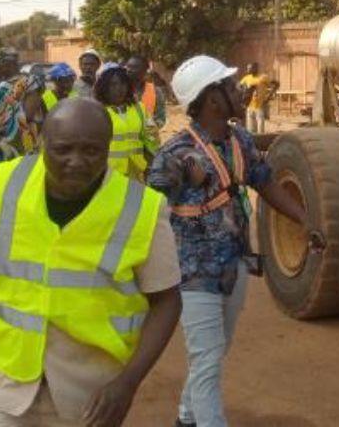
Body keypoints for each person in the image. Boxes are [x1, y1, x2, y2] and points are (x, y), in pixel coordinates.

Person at [0, 98, 182, 427]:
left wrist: (127, 383)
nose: (76, 162)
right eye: (63, 149)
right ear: (42, 142)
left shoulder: (143, 208)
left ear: (107, 149)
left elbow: (167, 300)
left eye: (92, 151)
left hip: (88, 397)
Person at [148, 55, 323, 427]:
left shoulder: (240, 138)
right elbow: (148, 211)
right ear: (212, 99)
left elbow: (264, 181)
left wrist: (304, 220)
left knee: (214, 353)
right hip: (193, 274)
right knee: (208, 360)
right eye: (229, 86)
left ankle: (185, 417)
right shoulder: (175, 155)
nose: (240, 89)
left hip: (235, 265)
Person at [96, 63, 156, 181]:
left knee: (134, 200)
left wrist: (152, 166)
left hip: (137, 174)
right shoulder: (96, 111)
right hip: (107, 176)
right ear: (103, 87)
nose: (118, 89)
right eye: (112, 84)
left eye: (122, 83)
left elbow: (152, 140)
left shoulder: (139, 108)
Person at [125, 55, 166, 131]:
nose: (129, 70)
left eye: (134, 67)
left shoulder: (156, 91)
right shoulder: (118, 90)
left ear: (145, 70)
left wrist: (150, 128)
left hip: (147, 140)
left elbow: (161, 119)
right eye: (128, 66)